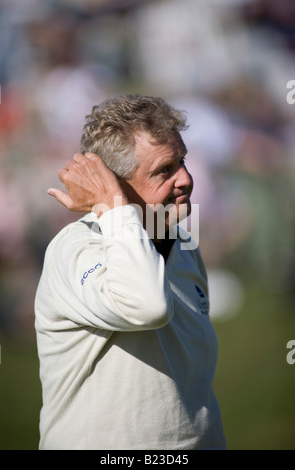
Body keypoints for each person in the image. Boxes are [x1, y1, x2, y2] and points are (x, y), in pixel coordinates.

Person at [34, 93, 227, 450]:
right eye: (164, 170)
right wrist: (111, 206)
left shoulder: (183, 245)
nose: (185, 179)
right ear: (115, 186)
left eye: (182, 161)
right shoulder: (74, 249)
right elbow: (148, 306)